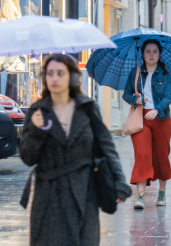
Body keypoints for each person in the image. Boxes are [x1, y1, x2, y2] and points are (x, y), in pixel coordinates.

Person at [20, 54, 131, 246]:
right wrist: (36, 131)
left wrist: (119, 182)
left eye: (60, 73)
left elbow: (107, 148)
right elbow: (28, 158)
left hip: (83, 192)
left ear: (72, 77)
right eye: (50, 73)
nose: (54, 78)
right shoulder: (37, 111)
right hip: (48, 197)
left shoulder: (87, 108)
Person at [123, 39, 171, 209]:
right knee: (142, 154)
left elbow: (168, 97)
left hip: (161, 118)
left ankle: (162, 192)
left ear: (159, 54)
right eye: (148, 51)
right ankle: (141, 196)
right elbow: (126, 94)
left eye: (155, 51)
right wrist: (136, 99)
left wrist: (157, 109)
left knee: (161, 156)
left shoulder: (166, 74)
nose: (151, 55)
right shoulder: (135, 72)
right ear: (142, 54)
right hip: (141, 117)